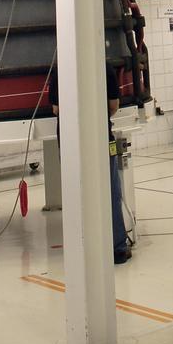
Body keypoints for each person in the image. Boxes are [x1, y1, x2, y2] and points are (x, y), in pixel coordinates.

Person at [48, 60, 131, 264]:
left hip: (69, 141)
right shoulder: (104, 66)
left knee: (75, 193)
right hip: (99, 137)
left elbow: (56, 109)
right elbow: (113, 106)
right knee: (110, 192)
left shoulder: (60, 69)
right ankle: (117, 247)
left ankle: (82, 248)